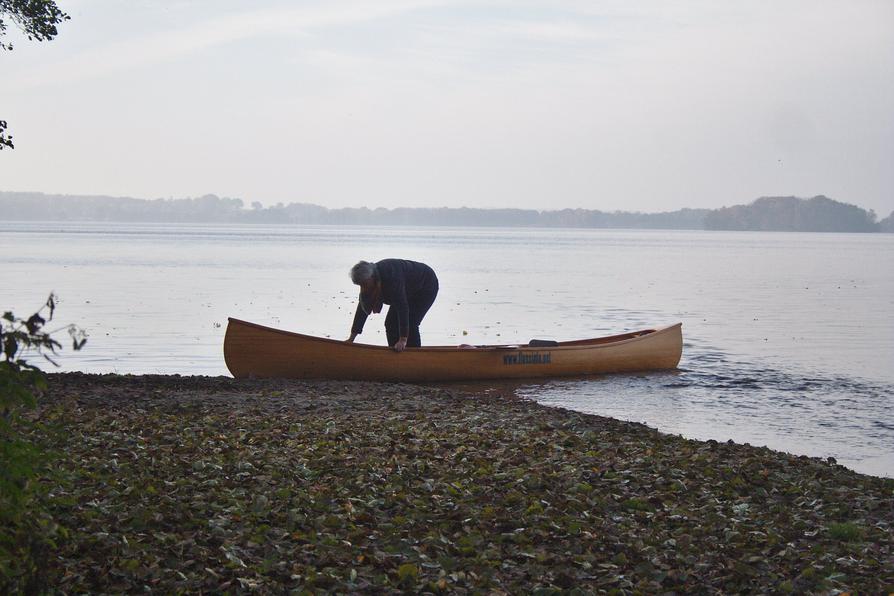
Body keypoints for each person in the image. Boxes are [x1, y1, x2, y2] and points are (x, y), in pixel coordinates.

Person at [346, 259, 439, 352]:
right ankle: (395, 355)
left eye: (364, 284)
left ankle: (415, 357)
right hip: (407, 288)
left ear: (371, 277)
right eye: (360, 285)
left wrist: (403, 340)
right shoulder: (368, 281)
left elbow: (402, 308)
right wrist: (352, 338)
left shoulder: (391, 278)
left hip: (426, 285)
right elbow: (362, 308)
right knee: (390, 324)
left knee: (411, 323)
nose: (363, 288)